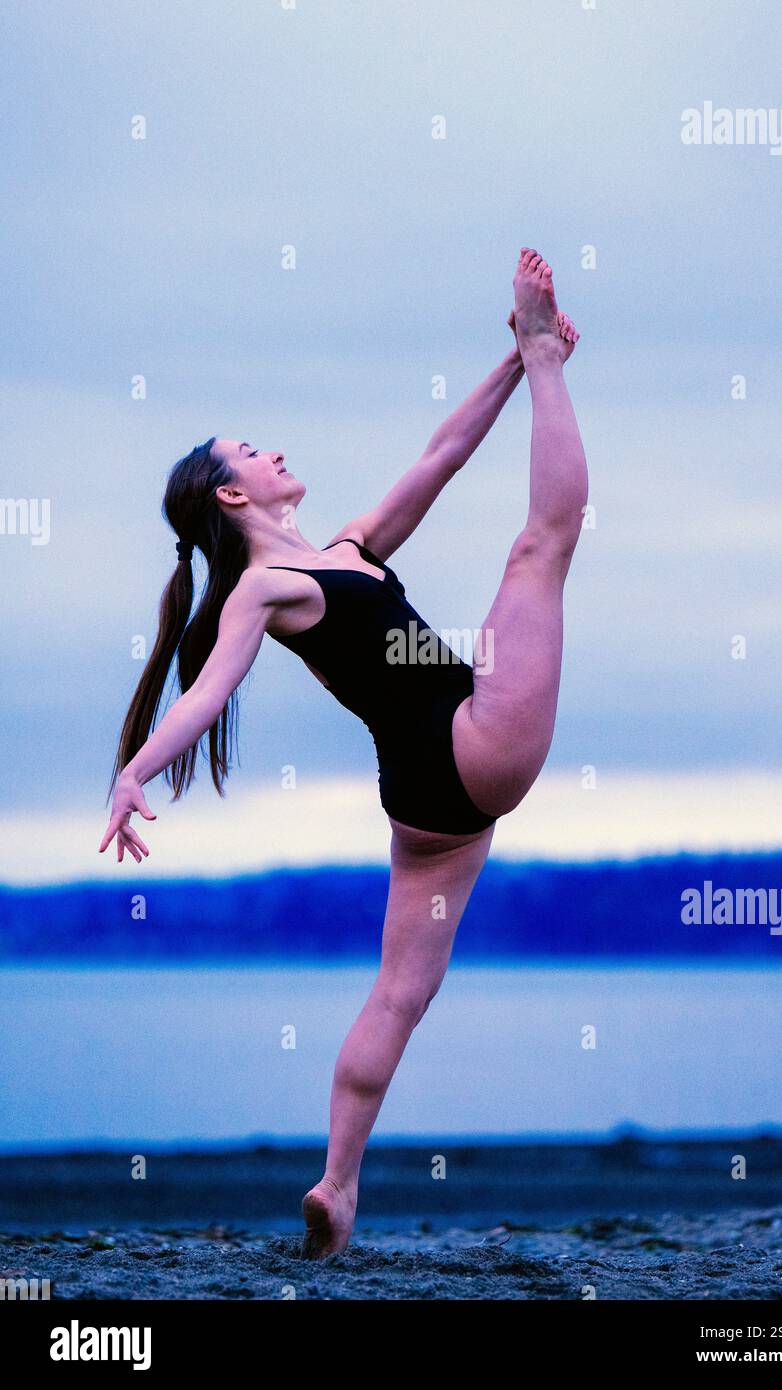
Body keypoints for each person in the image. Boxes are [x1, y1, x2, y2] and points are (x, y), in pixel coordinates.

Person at [99, 248, 588, 1257]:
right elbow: (206, 691)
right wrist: (136, 768)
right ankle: (553, 367)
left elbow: (441, 455)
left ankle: (337, 1186)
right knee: (539, 545)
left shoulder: (348, 549)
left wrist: (503, 357)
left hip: (423, 807)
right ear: (233, 497)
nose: (272, 455)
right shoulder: (263, 591)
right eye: (253, 453)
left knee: (397, 994)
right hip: (472, 740)